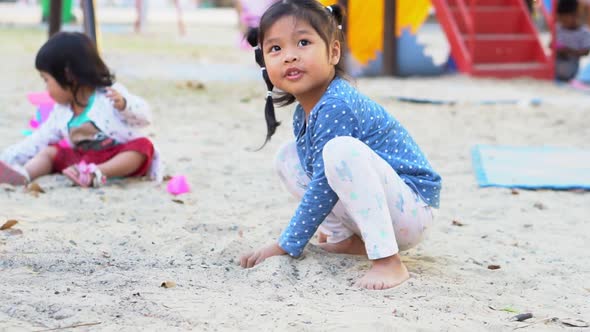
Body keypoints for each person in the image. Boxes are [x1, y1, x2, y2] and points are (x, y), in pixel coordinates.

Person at [238, 0, 441, 290]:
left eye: (303, 42)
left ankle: (388, 261)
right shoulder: (305, 112)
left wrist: (287, 243)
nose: (289, 57)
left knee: (339, 152)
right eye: (276, 49)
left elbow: (324, 181)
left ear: (334, 52)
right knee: (289, 156)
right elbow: (323, 177)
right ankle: (346, 240)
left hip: (411, 209)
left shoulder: (336, 104)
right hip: (388, 208)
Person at [0, 32, 161, 187]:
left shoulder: (109, 95)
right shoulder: (61, 112)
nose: (46, 87)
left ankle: (97, 174)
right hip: (82, 160)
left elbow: (145, 117)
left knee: (143, 146)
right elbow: (38, 140)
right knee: (50, 151)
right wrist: (6, 159)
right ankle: (24, 174)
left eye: (46, 79)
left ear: (68, 75)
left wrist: (125, 105)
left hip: (115, 157)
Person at [555, 0, 590, 81]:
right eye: (561, 20)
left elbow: (586, 52)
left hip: (571, 66)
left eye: (565, 20)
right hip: (557, 63)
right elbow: (550, 45)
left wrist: (568, 51)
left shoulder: (583, 32)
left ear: (575, 15)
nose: (563, 22)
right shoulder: (558, 29)